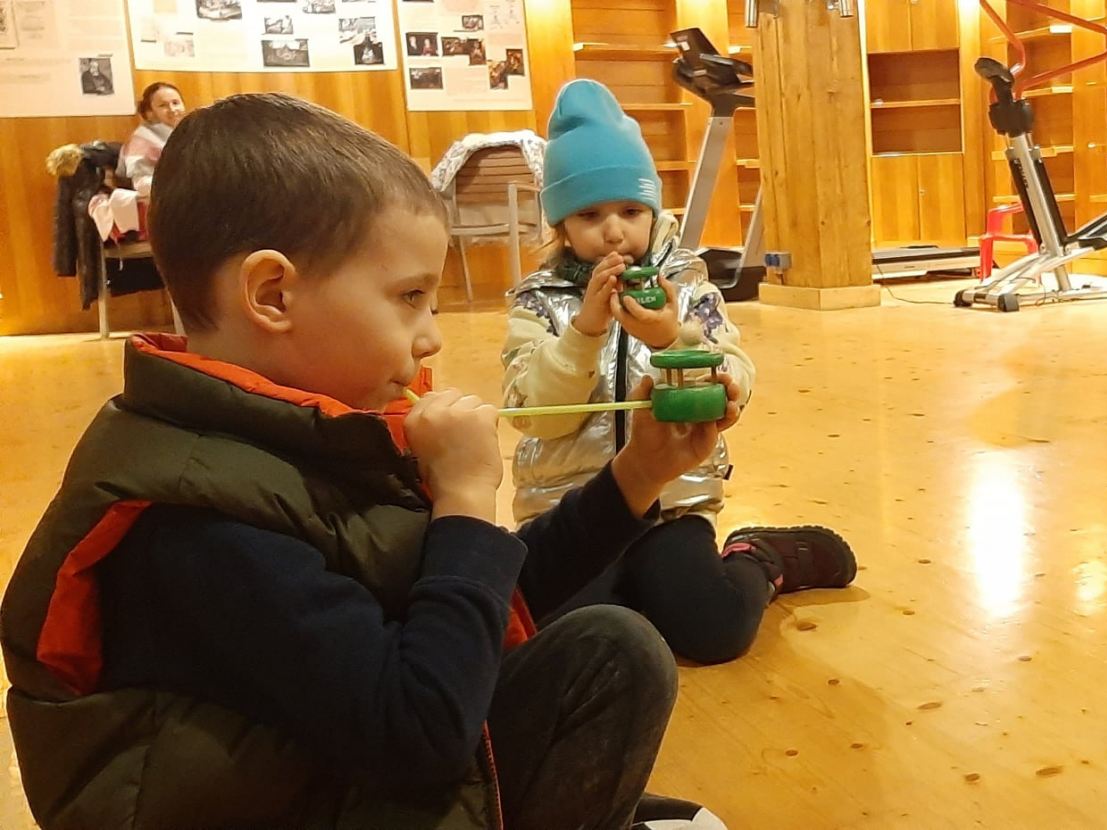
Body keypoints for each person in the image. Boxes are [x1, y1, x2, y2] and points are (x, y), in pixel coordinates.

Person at [0, 92, 731, 830]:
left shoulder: (292, 433)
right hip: (330, 785)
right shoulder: (197, 520)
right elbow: (419, 733)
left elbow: (479, 607)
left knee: (605, 657)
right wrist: (463, 505)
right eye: (409, 297)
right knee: (615, 655)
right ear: (273, 295)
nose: (431, 337)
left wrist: (639, 473)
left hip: (334, 770)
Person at [505, 79, 857, 665]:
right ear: (560, 225)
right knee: (564, 635)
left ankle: (757, 556)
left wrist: (673, 340)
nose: (613, 230)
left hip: (674, 507)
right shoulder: (538, 302)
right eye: (589, 214)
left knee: (715, 629)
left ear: (652, 211)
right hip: (571, 513)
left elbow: (734, 371)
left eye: (630, 211)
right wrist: (584, 332)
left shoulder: (688, 286)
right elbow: (533, 415)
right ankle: (636, 593)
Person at [118, 82, 185, 195]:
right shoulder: (141, 140)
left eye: (175, 103)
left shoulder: (186, 130)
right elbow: (141, 183)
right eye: (163, 105)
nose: (172, 109)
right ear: (149, 112)